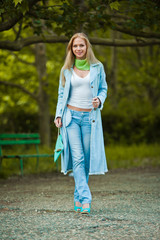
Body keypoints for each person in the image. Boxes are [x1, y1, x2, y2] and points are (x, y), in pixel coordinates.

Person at [54, 32, 108, 214]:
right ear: (71, 49)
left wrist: (99, 100)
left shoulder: (98, 67)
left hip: (90, 119)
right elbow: (61, 95)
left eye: (81, 46)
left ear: (87, 47)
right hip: (71, 118)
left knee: (85, 160)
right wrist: (58, 115)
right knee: (77, 158)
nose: (78, 49)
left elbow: (103, 88)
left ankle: (78, 197)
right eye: (75, 46)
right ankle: (86, 199)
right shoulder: (66, 69)